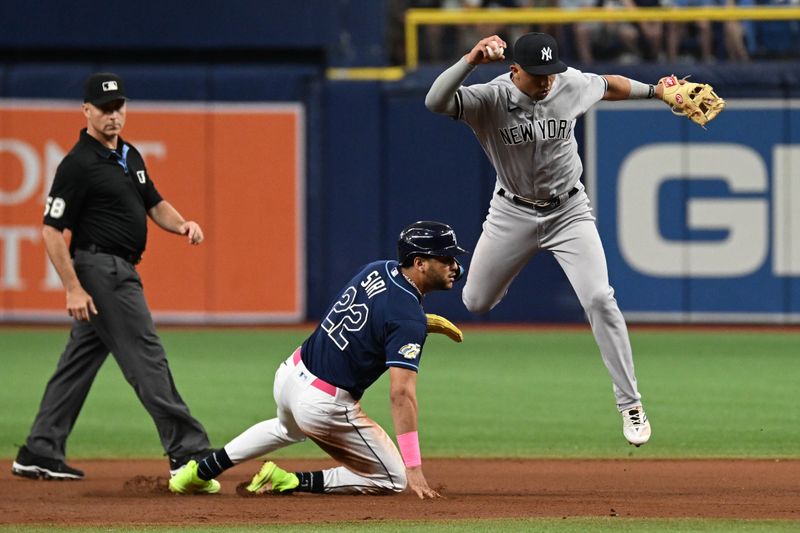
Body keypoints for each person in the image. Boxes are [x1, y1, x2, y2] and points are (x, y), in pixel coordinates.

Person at [424, 32, 657, 446]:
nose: (547, 81)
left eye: (550, 72)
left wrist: (656, 91)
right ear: (514, 69)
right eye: (537, 75)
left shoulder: (567, 81)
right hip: (511, 211)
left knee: (600, 298)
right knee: (475, 301)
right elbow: (435, 101)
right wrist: (470, 60)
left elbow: (610, 84)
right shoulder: (489, 99)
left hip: (569, 211)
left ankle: (630, 403)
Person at [168, 221, 468, 498]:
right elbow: (401, 393)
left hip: (290, 374)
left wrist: (419, 322)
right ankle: (288, 481)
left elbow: (376, 317)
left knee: (286, 429)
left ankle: (196, 474)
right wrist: (413, 466)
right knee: (393, 478)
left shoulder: (377, 269)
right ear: (419, 263)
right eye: (447, 259)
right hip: (323, 405)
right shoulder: (407, 319)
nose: (456, 266)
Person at [11, 72, 212, 480]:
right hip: (102, 269)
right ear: (86, 110)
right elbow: (51, 230)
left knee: (79, 361)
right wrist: (72, 287)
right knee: (146, 355)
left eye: (118, 107)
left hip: (115, 268)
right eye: (104, 109)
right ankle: (188, 449)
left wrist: (182, 224)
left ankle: (40, 449)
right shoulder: (77, 164)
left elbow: (154, 203)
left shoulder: (129, 155)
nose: (113, 115)